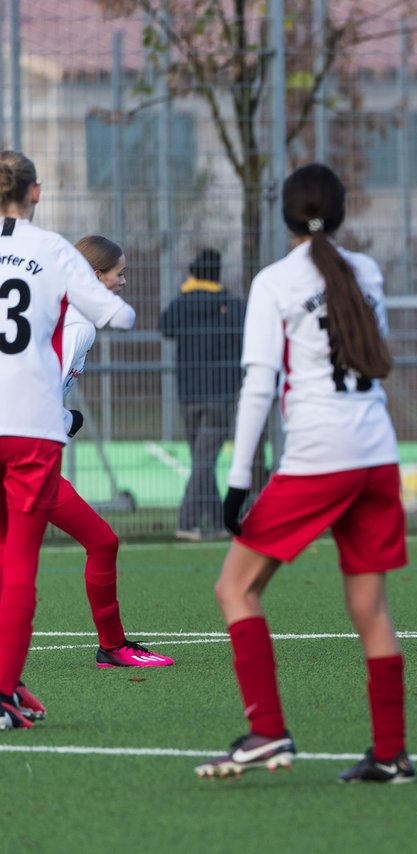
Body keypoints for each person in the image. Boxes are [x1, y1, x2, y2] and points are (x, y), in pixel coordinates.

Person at [194, 164, 413, 782]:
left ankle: (266, 733)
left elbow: (260, 384)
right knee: (370, 608)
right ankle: (391, 754)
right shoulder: (365, 271)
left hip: (321, 457)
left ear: (284, 217)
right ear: (341, 214)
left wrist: (237, 480)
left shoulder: (275, 282)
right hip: (376, 454)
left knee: (235, 589)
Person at [0, 150, 137, 731]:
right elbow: (119, 316)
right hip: (29, 429)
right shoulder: (53, 250)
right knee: (18, 568)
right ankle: (4, 690)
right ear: (36, 193)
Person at [45, 235, 173, 668]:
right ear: (95, 277)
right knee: (102, 541)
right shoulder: (78, 325)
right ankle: (113, 647)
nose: (123, 280)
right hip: (23, 458)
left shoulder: (55, 310)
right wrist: (67, 422)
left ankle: (112, 645)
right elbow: (37, 394)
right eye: (118, 272)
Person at [160, 248, 245, 541]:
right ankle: (190, 522)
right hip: (221, 393)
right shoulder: (232, 306)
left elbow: (166, 326)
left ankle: (216, 521)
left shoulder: (182, 303)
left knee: (201, 458)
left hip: (188, 392)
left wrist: (186, 291)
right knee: (204, 460)